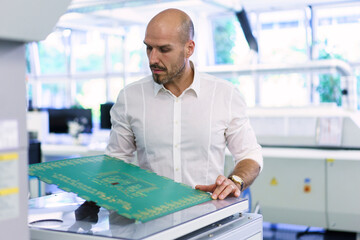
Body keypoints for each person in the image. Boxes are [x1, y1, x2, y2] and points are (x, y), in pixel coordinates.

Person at [105, 8, 263, 200]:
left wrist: (235, 180)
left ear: (189, 48)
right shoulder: (130, 97)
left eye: (164, 49)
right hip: (150, 219)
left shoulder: (224, 94)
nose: (153, 59)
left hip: (207, 217)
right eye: (149, 48)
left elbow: (250, 155)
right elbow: (116, 161)